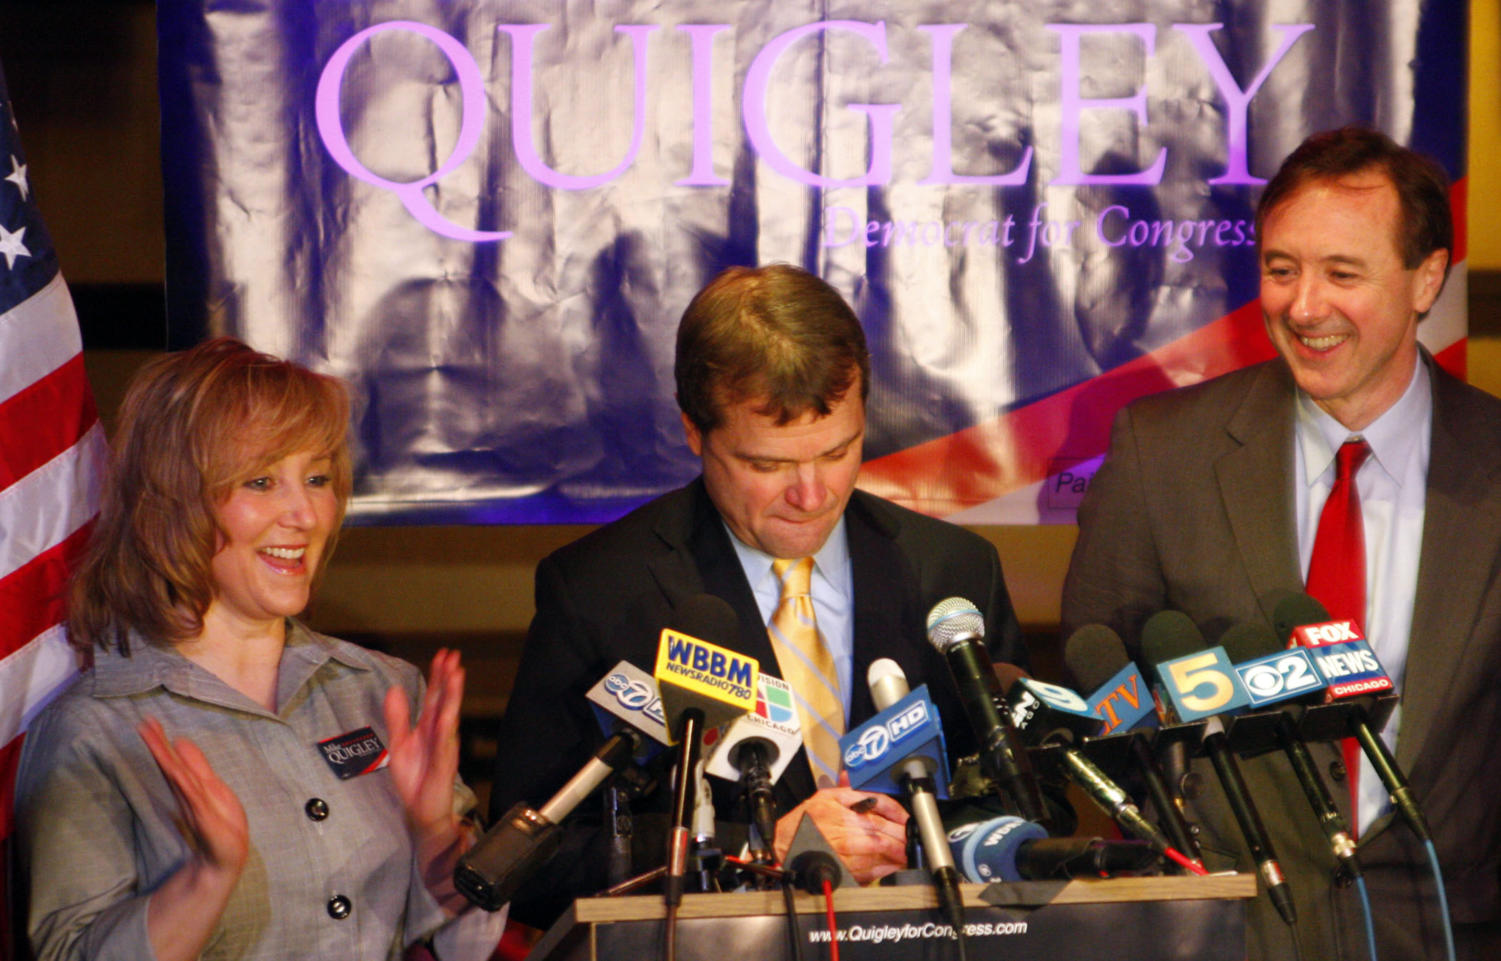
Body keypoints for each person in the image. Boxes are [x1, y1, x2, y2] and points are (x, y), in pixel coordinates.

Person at [1063, 126, 1501, 960]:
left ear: (1426, 279)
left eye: (1342, 273)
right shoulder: (1162, 454)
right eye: (1280, 269)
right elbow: (1098, 696)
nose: (1302, 307)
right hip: (1228, 931)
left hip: (1447, 932)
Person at [490, 263, 1027, 928]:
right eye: (767, 465)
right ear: (694, 431)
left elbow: (1026, 808)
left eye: (838, 451)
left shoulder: (952, 570)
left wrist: (929, 840)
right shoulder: (601, 590)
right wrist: (756, 849)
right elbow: (530, 863)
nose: (811, 493)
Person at [14, 338, 506, 961]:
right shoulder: (94, 728)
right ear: (172, 502)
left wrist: (436, 834)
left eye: (319, 478)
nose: (305, 513)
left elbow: (466, 949)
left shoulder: (381, 690)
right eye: (262, 480)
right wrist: (206, 879)